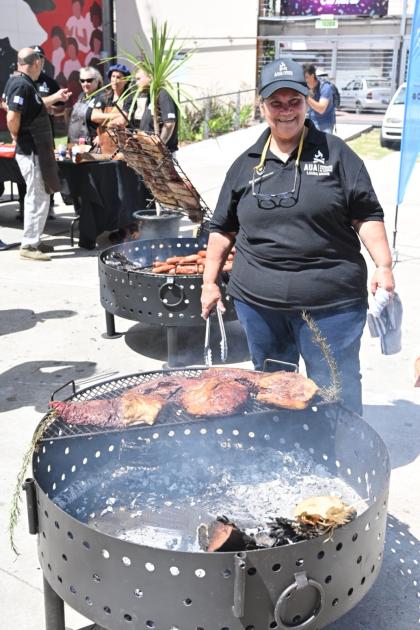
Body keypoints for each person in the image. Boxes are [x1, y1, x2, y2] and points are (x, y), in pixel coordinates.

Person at [200, 57, 395, 416]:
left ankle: (344, 451)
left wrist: (383, 265)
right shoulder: (246, 163)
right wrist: (210, 281)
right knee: (273, 388)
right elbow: (222, 227)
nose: (286, 111)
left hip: (332, 306)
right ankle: (284, 449)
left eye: (295, 102)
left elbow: (366, 213)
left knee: (334, 387)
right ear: (262, 107)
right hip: (260, 305)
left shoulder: (337, 155)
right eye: (277, 103)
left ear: (307, 103)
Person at [5, 47, 71, 260]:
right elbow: (12, 116)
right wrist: (15, 135)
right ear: (36, 63)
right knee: (36, 197)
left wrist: (54, 98)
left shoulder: (25, 84)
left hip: (36, 150)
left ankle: (35, 240)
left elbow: (34, 106)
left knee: (41, 195)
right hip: (31, 151)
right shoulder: (21, 84)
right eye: (41, 63)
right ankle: (29, 245)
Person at [31, 44, 64, 219]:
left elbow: (61, 108)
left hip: (46, 133)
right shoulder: (23, 81)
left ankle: (49, 205)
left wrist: (52, 109)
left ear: (43, 60)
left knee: (48, 170)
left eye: (41, 57)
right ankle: (24, 205)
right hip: (27, 135)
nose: (38, 60)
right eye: (35, 57)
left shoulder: (49, 82)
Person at [67, 66, 125, 145]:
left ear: (97, 81)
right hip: (75, 143)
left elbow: (109, 120)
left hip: (92, 145)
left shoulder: (104, 96)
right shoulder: (81, 96)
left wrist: (102, 134)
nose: (85, 83)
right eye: (82, 81)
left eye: (89, 80)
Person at [134, 68, 179, 154]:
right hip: (150, 154)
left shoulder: (163, 93)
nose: (136, 83)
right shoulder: (152, 95)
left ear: (150, 77)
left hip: (163, 155)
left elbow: (169, 124)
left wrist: (159, 148)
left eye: (139, 79)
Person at [303, 63, 336, 134]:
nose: (304, 80)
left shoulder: (325, 87)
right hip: (311, 123)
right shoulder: (306, 87)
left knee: (325, 144)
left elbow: (321, 109)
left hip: (325, 125)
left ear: (312, 75)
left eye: (306, 77)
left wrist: (306, 96)